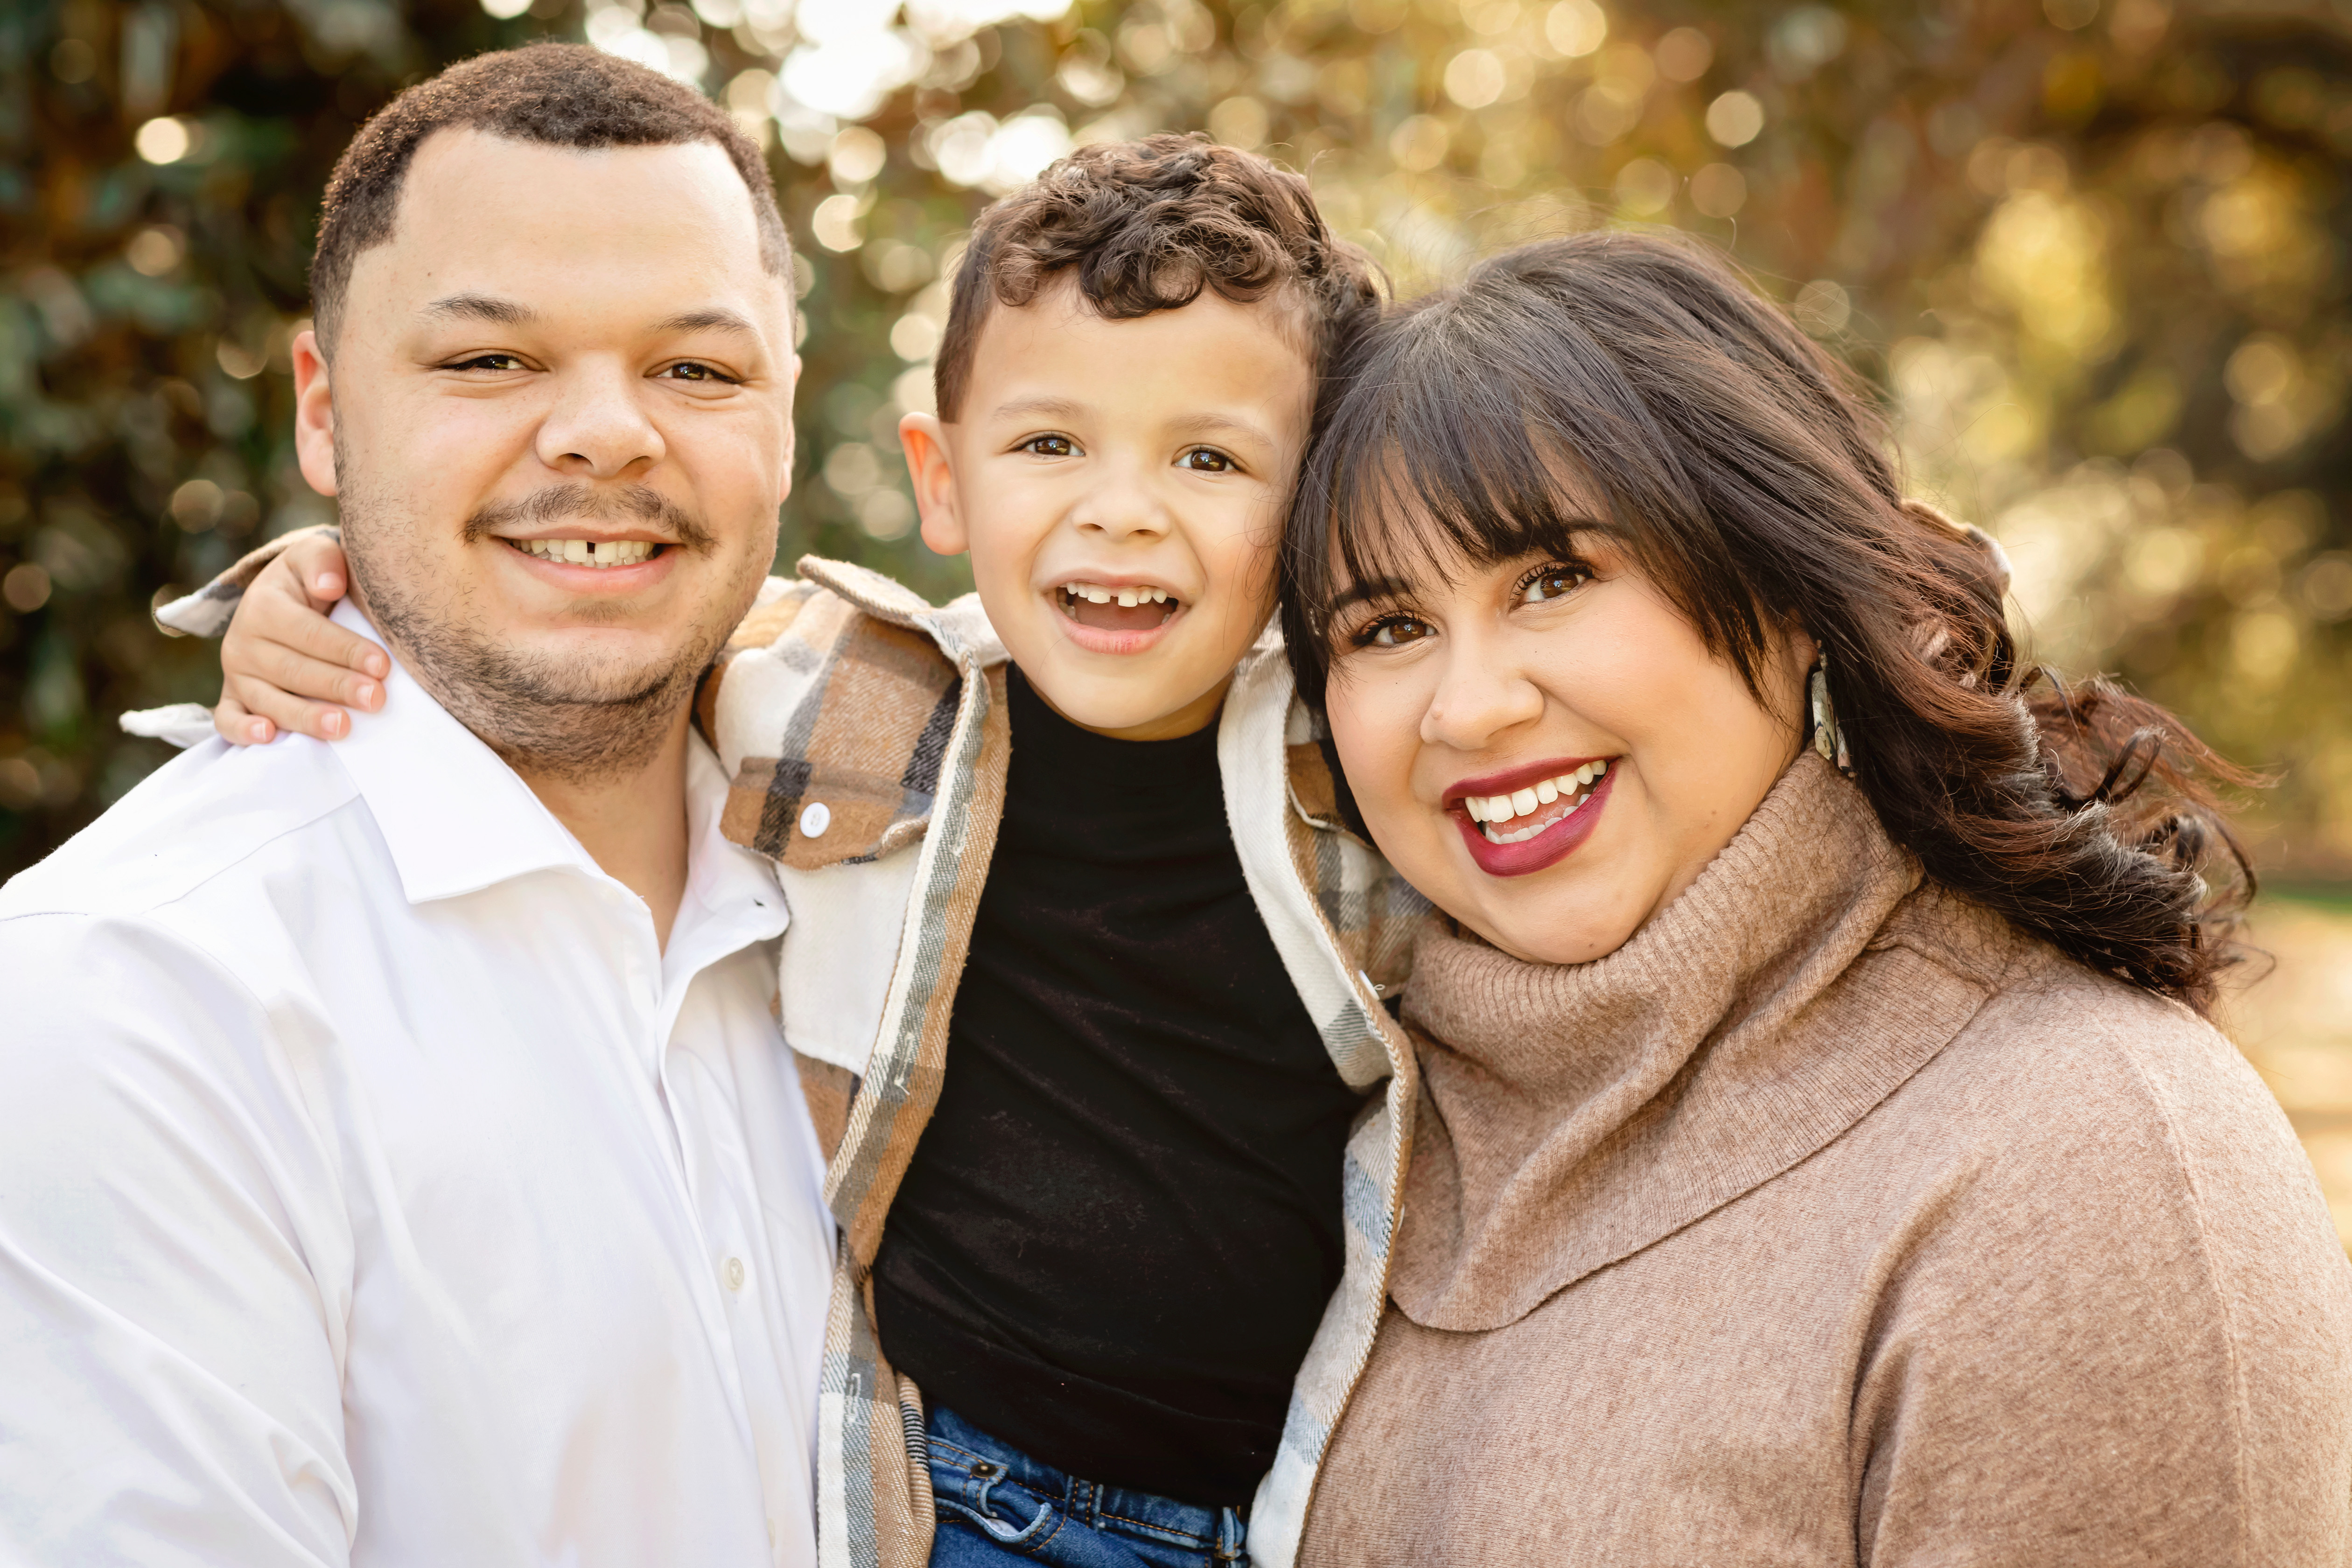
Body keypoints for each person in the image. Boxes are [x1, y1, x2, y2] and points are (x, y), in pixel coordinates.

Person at [148, 137, 1431, 1568]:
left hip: (1295, 1509)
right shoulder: (841, 693)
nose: (1120, 509)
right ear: (943, 481)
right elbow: (580, 629)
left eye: (1209, 458)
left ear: (1316, 501)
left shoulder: (1368, 758)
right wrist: (316, 598)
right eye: (1050, 446)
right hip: (963, 1498)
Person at [1278, 231, 2352, 1564]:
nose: (1471, 707)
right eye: (1387, 628)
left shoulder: (2083, 1163)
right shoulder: (1321, 1154)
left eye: (1554, 580)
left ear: (1787, 594)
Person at [0, 46, 837, 1566]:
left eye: (697, 371)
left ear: (785, 419)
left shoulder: (910, 890)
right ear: (324, 415)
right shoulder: (133, 993)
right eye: (491, 361)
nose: (607, 434)